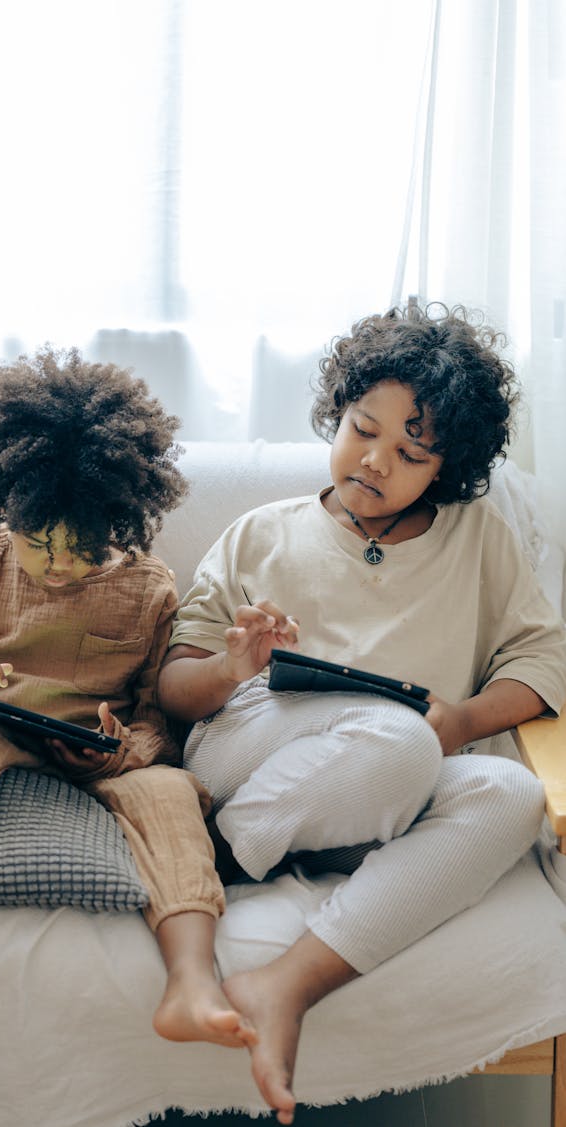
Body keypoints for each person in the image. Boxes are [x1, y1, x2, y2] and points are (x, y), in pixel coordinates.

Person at [157, 302, 566, 1123]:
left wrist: (463, 723)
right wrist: (233, 666)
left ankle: (288, 982)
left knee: (510, 795)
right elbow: (172, 685)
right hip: (249, 761)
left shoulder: (479, 540)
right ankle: (224, 856)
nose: (375, 461)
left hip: (396, 779)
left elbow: (543, 661)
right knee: (397, 738)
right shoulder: (260, 534)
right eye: (360, 428)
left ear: (444, 470)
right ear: (336, 414)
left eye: (410, 452)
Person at [0, 346, 256, 1051]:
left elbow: (158, 715)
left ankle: (191, 978)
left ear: (122, 523)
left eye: (85, 547)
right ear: (8, 511)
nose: (62, 564)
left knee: (170, 795)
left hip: (97, 752)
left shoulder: (152, 589)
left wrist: (123, 746)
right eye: (41, 544)